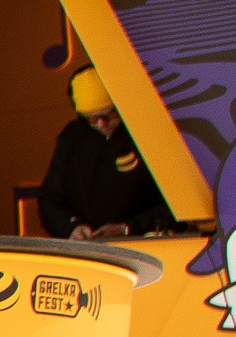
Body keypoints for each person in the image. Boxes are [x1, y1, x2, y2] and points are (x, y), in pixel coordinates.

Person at [39, 66, 175, 240]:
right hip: (90, 250)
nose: (102, 124)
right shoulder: (72, 138)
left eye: (109, 115)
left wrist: (127, 227)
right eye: (93, 119)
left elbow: (175, 207)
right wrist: (71, 227)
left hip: (142, 244)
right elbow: (50, 198)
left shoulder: (149, 134)